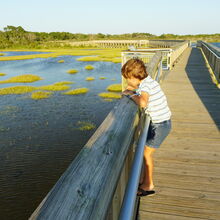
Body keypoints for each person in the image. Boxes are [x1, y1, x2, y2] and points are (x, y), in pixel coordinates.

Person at [121, 58, 172, 197]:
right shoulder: (148, 81)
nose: (127, 82)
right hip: (161, 123)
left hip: (160, 126)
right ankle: (144, 180)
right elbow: (143, 92)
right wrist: (135, 88)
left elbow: (143, 102)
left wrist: (130, 93)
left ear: (135, 77)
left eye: (128, 79)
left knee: (145, 153)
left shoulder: (145, 86)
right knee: (144, 151)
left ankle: (149, 185)